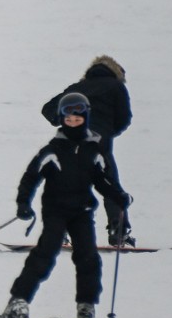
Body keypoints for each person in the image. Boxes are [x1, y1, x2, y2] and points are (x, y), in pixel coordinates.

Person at [0, 93, 132, 318]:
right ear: (62, 120)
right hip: (55, 211)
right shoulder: (53, 150)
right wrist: (23, 203)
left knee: (88, 258)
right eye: (68, 119)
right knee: (45, 254)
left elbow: (103, 181)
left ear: (85, 118)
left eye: (77, 119)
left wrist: (119, 196)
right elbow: (31, 177)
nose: (72, 122)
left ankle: (86, 305)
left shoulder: (94, 151)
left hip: (82, 212)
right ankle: (18, 301)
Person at [41, 55, 134, 246]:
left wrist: (65, 122)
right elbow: (124, 118)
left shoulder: (77, 89)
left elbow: (48, 110)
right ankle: (118, 230)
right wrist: (108, 132)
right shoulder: (117, 87)